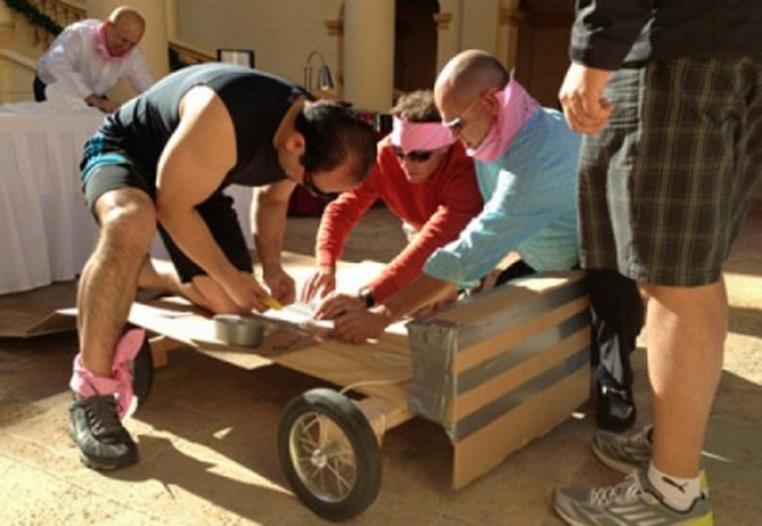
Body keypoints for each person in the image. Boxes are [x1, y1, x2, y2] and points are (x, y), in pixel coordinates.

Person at [69, 63, 377, 471]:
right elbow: (171, 206)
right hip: (126, 151)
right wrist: (231, 275)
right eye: (314, 186)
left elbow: (273, 200)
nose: (311, 193)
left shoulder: (307, 128)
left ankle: (143, 273)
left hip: (195, 178)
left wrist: (271, 268)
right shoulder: (222, 116)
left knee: (228, 303)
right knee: (131, 220)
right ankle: (90, 392)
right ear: (296, 146)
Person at [317, 50, 643, 431]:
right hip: (547, 257)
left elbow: (470, 247)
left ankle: (615, 384)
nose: (451, 136)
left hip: (601, 257)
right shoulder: (498, 130)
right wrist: (452, 289)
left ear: (490, 102)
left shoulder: (536, 159)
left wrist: (382, 314)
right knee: (497, 316)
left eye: (455, 124)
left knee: (607, 310)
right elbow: (473, 243)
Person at [553, 1, 762, 524]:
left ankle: (673, 493)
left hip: (680, 46)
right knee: (693, 269)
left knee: (672, 278)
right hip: (727, 45)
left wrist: (595, 48)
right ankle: (674, 448)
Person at [300, 90, 483, 310]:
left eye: (420, 155)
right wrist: (325, 265)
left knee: (437, 304)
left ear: (445, 146)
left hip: (468, 234)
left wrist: (367, 296)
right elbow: (342, 210)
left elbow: (437, 239)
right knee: (412, 302)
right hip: (420, 229)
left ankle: (473, 284)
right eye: (400, 152)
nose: (407, 164)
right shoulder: (383, 155)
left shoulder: (465, 165)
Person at [35, 6, 154, 112]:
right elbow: (55, 66)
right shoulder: (79, 35)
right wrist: (91, 97)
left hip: (93, 94)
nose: (126, 48)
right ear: (109, 27)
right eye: (123, 40)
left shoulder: (133, 53)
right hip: (53, 87)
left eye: (132, 44)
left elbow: (147, 86)